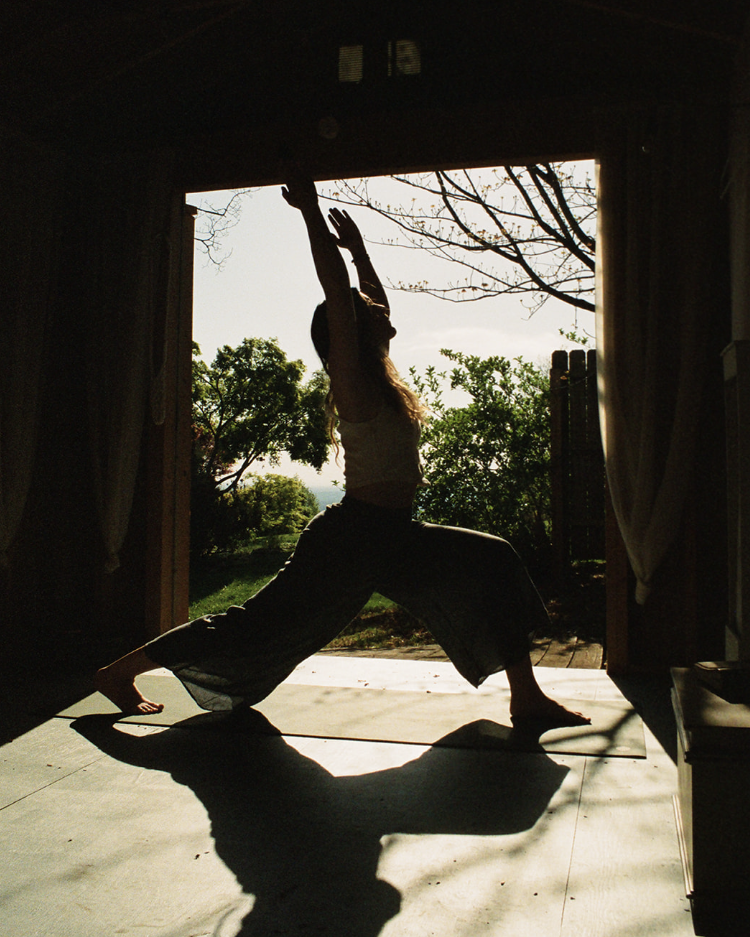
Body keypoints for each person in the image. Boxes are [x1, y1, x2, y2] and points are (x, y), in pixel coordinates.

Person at [96, 170, 590, 732]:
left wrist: (360, 254)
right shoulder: (353, 383)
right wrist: (310, 213)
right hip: (353, 539)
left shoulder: (381, 377)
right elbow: (341, 298)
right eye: (367, 309)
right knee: (254, 624)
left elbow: (368, 301)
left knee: (495, 560)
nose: (382, 311)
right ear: (350, 329)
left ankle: (525, 697)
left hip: (395, 535)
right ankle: (119, 671)